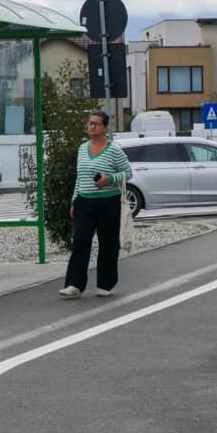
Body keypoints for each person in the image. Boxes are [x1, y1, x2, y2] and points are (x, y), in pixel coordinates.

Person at [58, 111, 134, 299]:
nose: (92, 127)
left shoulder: (114, 150)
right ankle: (74, 285)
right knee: (80, 243)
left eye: (96, 124)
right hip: (84, 202)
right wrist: (75, 200)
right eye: (90, 123)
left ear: (105, 128)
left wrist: (109, 179)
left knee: (108, 244)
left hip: (108, 202)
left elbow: (128, 173)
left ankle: (105, 284)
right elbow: (80, 177)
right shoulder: (82, 149)